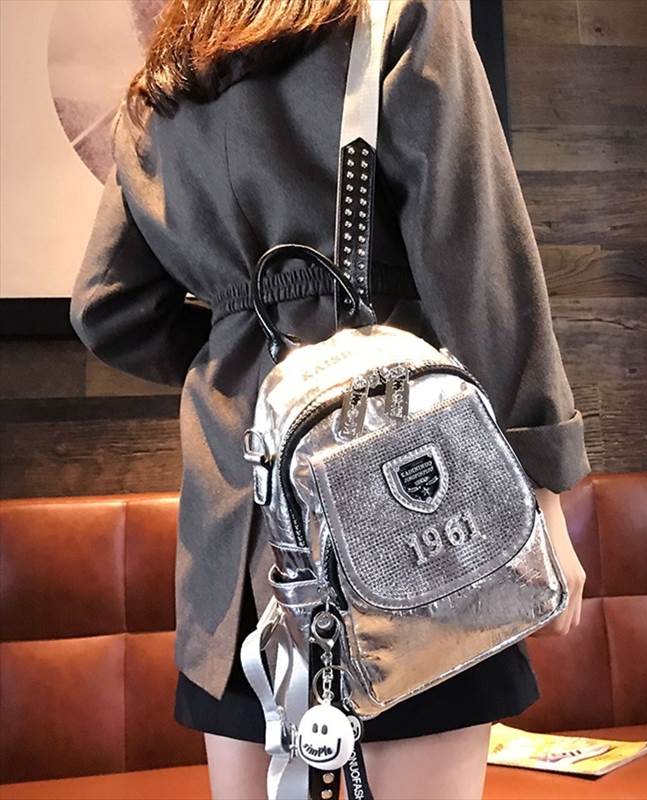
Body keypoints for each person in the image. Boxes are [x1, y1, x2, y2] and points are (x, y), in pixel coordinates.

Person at [69, 1, 591, 797]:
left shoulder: (162, 84)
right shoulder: (396, 16)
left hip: (237, 544)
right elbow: (475, 255)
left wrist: (237, 360)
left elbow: (105, 307)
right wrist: (542, 484)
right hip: (407, 515)